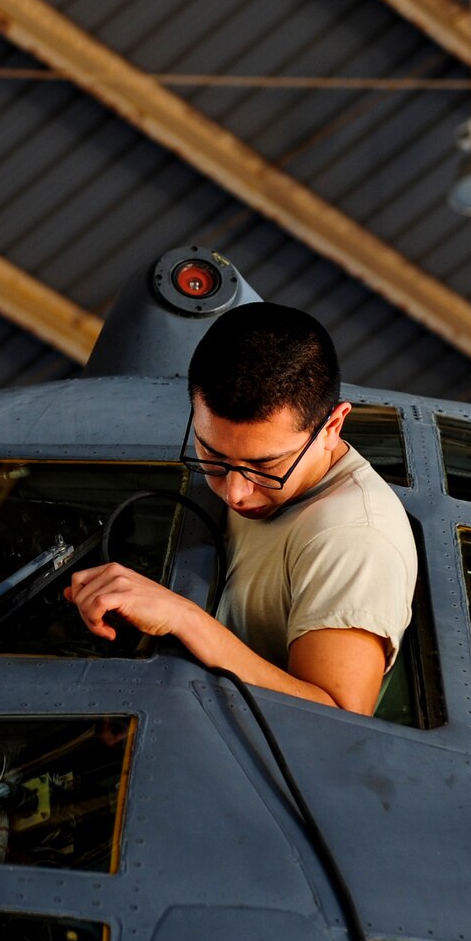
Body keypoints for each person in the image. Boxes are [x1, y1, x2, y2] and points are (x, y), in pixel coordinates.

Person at [63, 303, 415, 714]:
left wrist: (185, 619)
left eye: (266, 466)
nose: (234, 492)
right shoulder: (251, 476)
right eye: (211, 454)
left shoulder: (354, 539)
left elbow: (336, 721)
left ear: (332, 427)